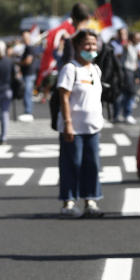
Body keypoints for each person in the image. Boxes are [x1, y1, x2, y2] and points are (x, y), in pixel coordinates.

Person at [56, 29, 104, 218]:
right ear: (77, 46)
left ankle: (90, 200)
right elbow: (64, 97)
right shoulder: (70, 69)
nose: (91, 48)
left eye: (93, 44)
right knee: (72, 164)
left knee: (91, 164)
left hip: (92, 127)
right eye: (86, 44)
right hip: (73, 128)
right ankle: (69, 201)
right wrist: (68, 123)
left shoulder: (95, 69)